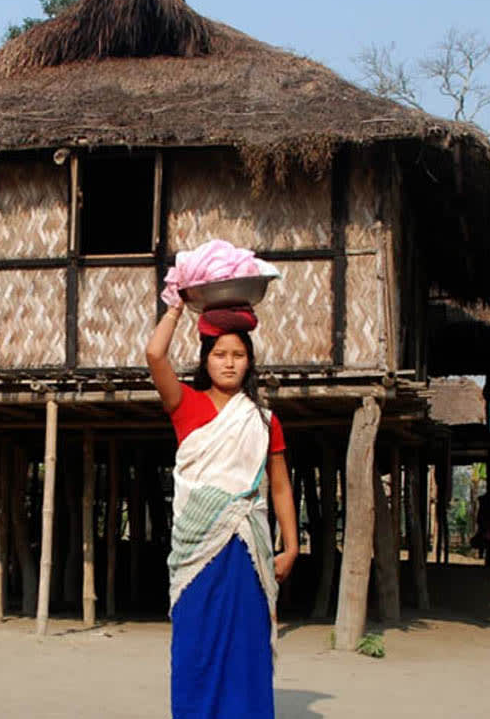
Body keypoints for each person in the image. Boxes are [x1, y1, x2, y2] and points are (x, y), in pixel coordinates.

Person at [146, 300, 299, 719]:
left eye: (238, 355)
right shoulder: (185, 404)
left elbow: (280, 486)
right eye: (220, 354)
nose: (229, 363)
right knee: (195, 644)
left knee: (247, 645)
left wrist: (291, 545)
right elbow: (155, 355)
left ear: (250, 362)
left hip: (247, 548)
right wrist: (175, 308)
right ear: (205, 359)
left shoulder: (263, 421)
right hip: (197, 550)